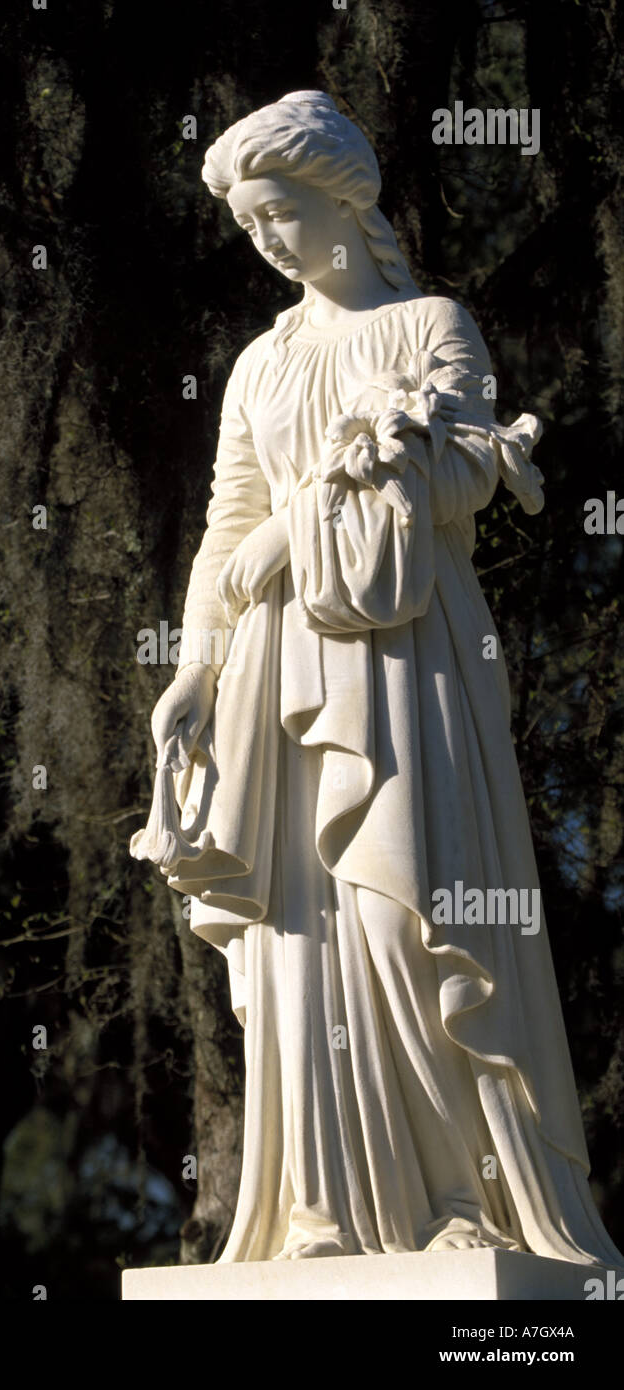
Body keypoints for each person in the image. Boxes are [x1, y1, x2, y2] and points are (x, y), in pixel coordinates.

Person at [131, 90, 623, 1268]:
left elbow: (457, 484)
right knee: (307, 936)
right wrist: (195, 662)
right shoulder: (259, 366)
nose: (265, 241)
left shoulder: (432, 328)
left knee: (413, 910)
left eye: (279, 213)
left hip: (408, 656)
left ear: (339, 199)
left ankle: (465, 1194)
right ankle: (329, 1211)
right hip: (276, 673)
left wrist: (316, 514)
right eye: (249, 224)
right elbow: (223, 527)